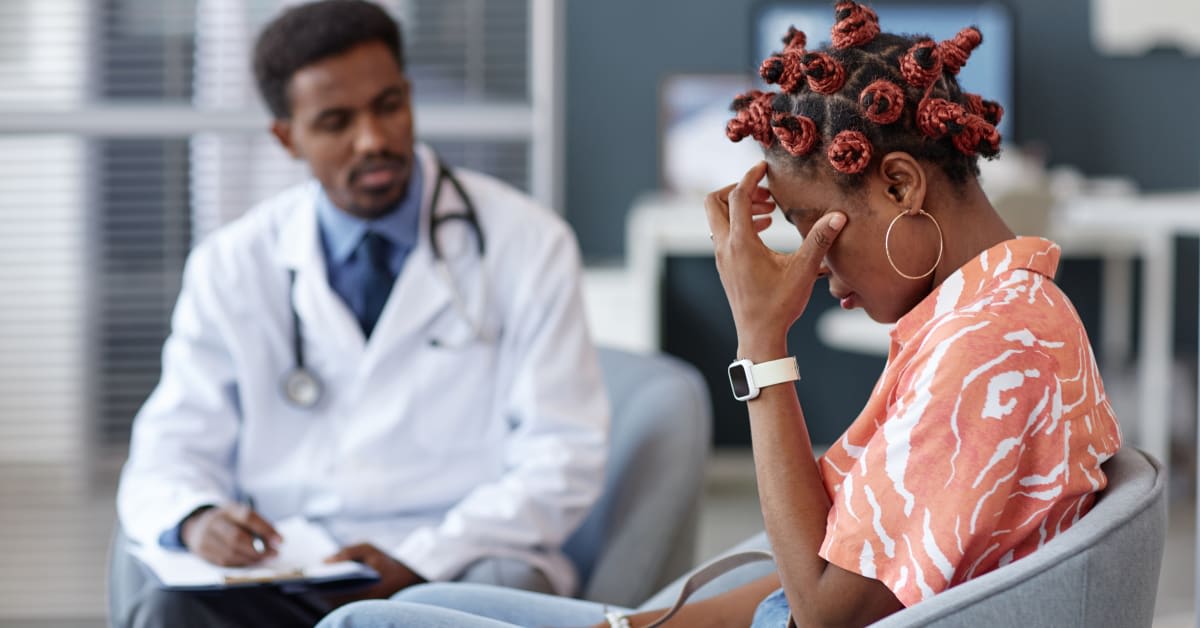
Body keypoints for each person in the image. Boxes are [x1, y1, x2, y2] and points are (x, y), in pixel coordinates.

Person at [315, 2, 1121, 627]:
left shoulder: (991, 350)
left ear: (900, 186)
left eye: (811, 228)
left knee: (361, 621)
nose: (811, 262)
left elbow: (821, 611)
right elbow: (832, 564)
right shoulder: (993, 314)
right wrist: (640, 623)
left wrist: (761, 340)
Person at [109, 1, 609, 626]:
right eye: (335, 121)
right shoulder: (232, 263)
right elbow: (169, 447)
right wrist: (197, 517)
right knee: (167, 607)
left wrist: (422, 557)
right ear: (287, 137)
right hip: (287, 567)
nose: (372, 140)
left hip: (454, 562)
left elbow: (562, 457)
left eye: (388, 107)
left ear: (410, 96)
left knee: (497, 590)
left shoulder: (527, 242)